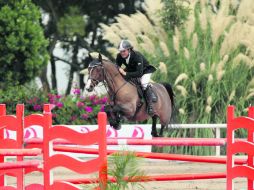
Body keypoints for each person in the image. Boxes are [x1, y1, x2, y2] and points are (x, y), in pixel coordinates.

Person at [115, 39, 157, 115]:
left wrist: (125, 73)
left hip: (144, 71)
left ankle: (150, 105)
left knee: (143, 83)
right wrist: (119, 69)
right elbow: (117, 65)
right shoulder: (119, 56)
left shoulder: (137, 56)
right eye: (121, 51)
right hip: (131, 69)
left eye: (124, 51)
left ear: (129, 49)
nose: (122, 53)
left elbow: (139, 73)